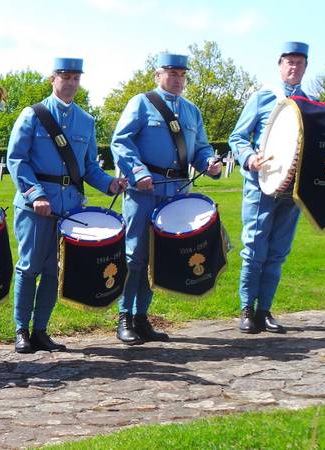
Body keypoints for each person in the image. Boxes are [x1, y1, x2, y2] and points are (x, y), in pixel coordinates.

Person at [7, 58, 127, 353]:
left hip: (68, 207)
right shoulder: (33, 115)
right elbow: (16, 158)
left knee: (53, 270)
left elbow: (88, 167)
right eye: (65, 76)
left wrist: (110, 184)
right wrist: (35, 194)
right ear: (53, 79)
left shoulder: (85, 121)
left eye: (76, 78)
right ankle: (21, 329)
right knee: (28, 267)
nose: (71, 83)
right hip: (35, 206)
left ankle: (40, 331)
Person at [111, 53, 222, 345]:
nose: (178, 79)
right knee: (134, 255)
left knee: (158, 257)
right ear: (157, 75)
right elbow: (120, 141)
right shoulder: (141, 103)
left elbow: (201, 148)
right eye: (172, 73)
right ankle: (124, 316)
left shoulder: (191, 111)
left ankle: (142, 317)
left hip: (176, 193)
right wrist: (136, 172)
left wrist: (209, 162)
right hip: (144, 191)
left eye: (182, 75)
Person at [229, 42, 313, 334]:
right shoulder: (263, 98)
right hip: (260, 184)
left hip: (293, 191)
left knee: (278, 252)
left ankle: (264, 311)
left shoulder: (312, 104)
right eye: (289, 62)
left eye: (300, 63)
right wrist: (250, 157)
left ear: (305, 67)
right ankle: (246, 310)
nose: (294, 67)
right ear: (280, 65)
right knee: (254, 249)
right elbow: (237, 137)